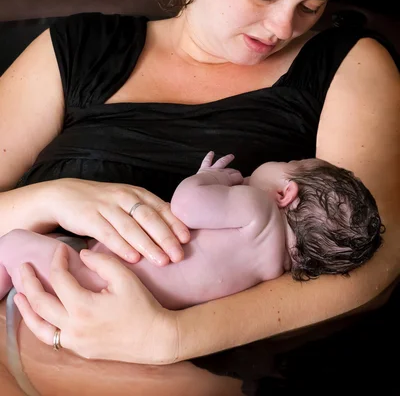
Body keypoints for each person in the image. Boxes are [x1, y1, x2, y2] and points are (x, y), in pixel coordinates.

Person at [0, 0, 399, 396]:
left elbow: (376, 258)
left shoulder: (346, 64)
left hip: (164, 370)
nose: (284, 27)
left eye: (311, 7)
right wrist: (51, 198)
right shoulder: (76, 49)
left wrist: (169, 337)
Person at [0, 152, 384, 307]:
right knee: (39, 251)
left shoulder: (258, 209)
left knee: (11, 243)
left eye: (289, 159)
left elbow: (186, 206)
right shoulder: (271, 270)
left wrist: (210, 177)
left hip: (93, 278)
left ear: (286, 193)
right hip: (114, 298)